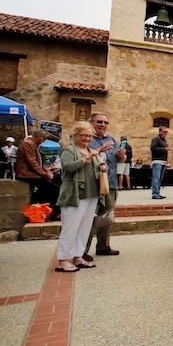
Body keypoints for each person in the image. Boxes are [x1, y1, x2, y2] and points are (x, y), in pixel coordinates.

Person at [54, 122, 103, 272]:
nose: (87, 139)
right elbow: (68, 167)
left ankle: (77, 256)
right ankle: (63, 259)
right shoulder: (69, 150)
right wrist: (88, 157)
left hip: (91, 194)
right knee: (70, 228)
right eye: (84, 135)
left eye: (90, 136)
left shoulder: (90, 151)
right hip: (75, 195)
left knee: (84, 228)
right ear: (76, 136)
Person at [85, 112, 126, 258]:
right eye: (100, 122)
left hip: (111, 183)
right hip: (93, 184)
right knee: (89, 217)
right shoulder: (87, 138)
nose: (103, 125)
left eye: (105, 122)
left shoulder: (112, 140)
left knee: (107, 217)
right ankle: (82, 251)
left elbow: (118, 161)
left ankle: (103, 246)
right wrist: (99, 151)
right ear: (92, 123)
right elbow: (83, 157)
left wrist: (122, 156)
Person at [15, 130, 61, 221]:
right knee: (54, 188)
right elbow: (32, 162)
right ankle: (55, 213)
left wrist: (47, 171)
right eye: (43, 138)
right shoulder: (28, 144)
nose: (44, 140)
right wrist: (44, 174)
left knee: (56, 183)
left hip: (35, 174)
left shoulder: (35, 146)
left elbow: (40, 162)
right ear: (39, 136)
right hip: (27, 175)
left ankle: (48, 210)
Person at [150, 126, 170, 200]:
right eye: (165, 132)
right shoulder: (156, 139)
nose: (166, 133)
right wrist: (164, 149)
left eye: (167, 132)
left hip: (163, 161)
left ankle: (157, 192)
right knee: (156, 178)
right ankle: (155, 193)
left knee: (160, 178)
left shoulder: (164, 140)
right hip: (157, 161)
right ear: (160, 131)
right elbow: (153, 148)